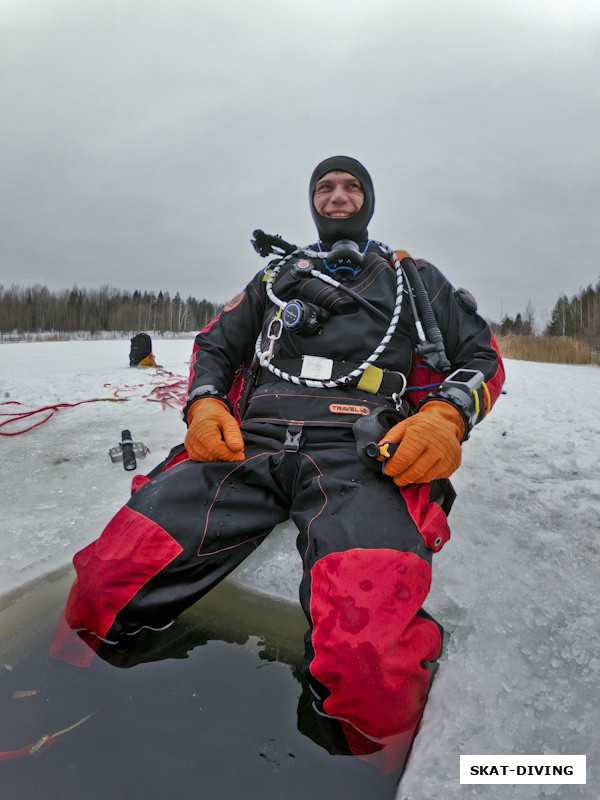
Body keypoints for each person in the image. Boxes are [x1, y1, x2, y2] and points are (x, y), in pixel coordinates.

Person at [52, 155, 505, 771]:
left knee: (367, 661)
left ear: (368, 200)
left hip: (361, 452)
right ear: (312, 201)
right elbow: (215, 343)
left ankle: (364, 763)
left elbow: (482, 355)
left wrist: (445, 416)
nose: (338, 195)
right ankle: (67, 704)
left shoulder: (415, 280)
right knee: (107, 579)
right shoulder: (275, 278)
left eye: (352, 187)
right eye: (326, 186)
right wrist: (205, 403)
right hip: (250, 442)